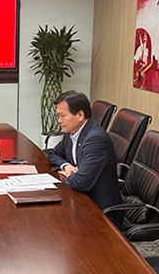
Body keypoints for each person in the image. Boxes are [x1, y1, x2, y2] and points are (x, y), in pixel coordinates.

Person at [47, 90, 123, 227]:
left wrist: (70, 176)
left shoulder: (95, 139)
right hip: (82, 200)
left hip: (100, 211)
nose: (59, 120)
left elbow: (81, 182)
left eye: (62, 116)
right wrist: (66, 166)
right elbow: (53, 154)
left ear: (80, 115)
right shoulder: (71, 133)